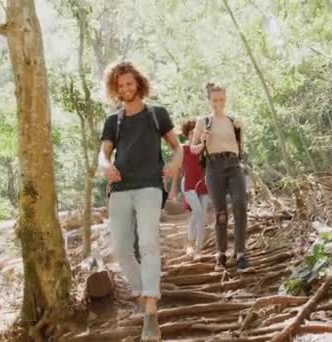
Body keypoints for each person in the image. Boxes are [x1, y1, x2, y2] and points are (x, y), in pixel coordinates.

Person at [98, 61, 182, 341]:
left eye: (130, 84)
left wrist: (174, 164)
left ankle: (151, 311)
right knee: (121, 249)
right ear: (115, 88)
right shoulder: (114, 120)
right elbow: (103, 154)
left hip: (149, 186)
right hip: (120, 188)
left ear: (139, 84)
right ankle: (143, 293)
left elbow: (177, 146)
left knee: (147, 243)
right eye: (120, 85)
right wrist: (105, 167)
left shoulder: (157, 114)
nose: (125, 89)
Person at [190, 82, 248, 272]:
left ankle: (240, 253)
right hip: (213, 166)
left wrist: (240, 131)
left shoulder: (233, 121)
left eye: (221, 99)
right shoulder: (203, 121)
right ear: (209, 101)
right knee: (221, 212)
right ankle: (220, 253)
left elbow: (240, 148)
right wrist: (203, 141)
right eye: (215, 100)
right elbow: (193, 149)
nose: (218, 103)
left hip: (233, 164)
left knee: (240, 204)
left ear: (226, 99)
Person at [172, 119, 210, 260]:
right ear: (187, 135)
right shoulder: (183, 149)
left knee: (199, 215)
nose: (194, 135)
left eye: (197, 133)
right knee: (199, 213)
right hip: (188, 185)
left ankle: (198, 249)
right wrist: (173, 190)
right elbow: (176, 169)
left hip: (203, 185)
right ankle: (190, 244)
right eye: (191, 133)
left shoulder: (206, 148)